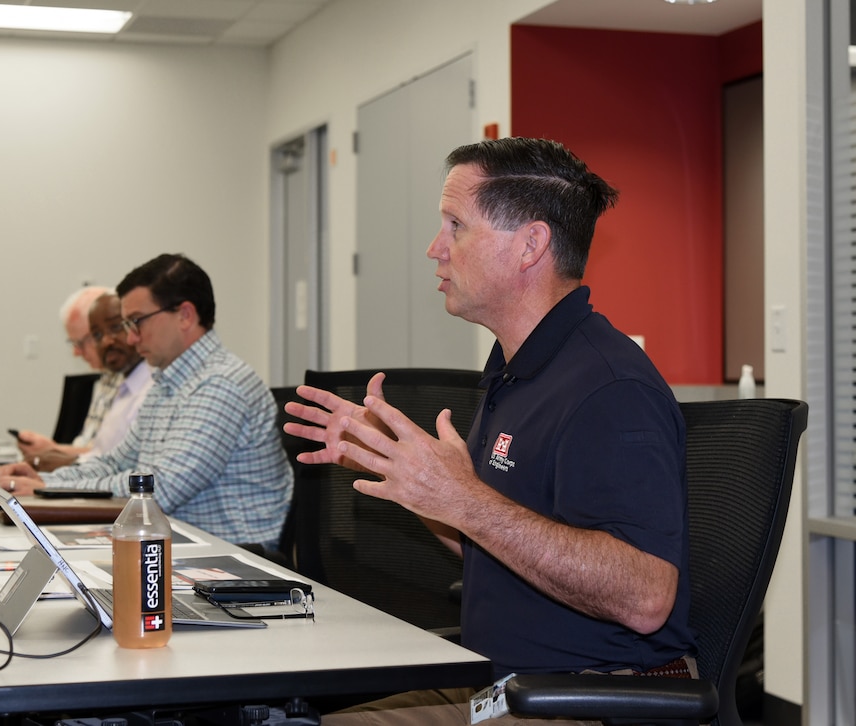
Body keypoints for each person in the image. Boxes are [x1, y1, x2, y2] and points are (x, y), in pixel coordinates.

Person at [284, 138, 696, 724]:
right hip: (498, 687)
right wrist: (399, 471)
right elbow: (487, 540)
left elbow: (646, 598)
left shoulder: (610, 388)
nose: (435, 249)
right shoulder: (518, 370)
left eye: (456, 225)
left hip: (587, 699)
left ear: (530, 244)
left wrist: (465, 499)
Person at [0, 253, 293, 551]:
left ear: (185, 315)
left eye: (136, 322)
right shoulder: (168, 381)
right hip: (179, 543)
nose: (131, 339)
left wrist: (45, 491)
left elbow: (161, 488)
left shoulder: (221, 384)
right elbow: (116, 461)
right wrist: (46, 480)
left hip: (229, 555)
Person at [25, 292, 154, 471]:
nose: (107, 341)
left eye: (116, 327)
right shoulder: (120, 381)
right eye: (97, 335)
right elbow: (102, 456)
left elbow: (124, 469)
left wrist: (60, 459)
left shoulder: (152, 387)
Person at [15, 285, 117, 461]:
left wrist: (52, 451)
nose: (76, 353)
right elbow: (91, 448)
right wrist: (51, 450)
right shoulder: (107, 378)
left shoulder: (136, 382)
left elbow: (112, 458)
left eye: (80, 343)